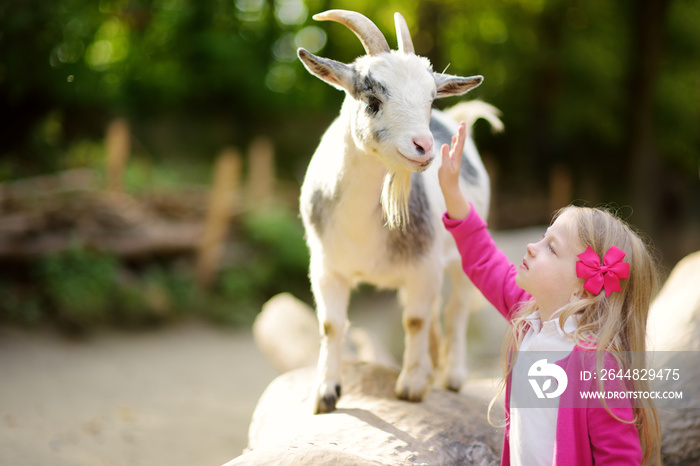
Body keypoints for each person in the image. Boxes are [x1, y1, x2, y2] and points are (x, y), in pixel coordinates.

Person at [438, 122, 662, 465]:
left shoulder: (599, 371)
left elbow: (620, 459)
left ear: (581, 286)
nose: (531, 247)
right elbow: (483, 258)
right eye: (543, 237)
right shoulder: (528, 316)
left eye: (551, 248)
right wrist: (452, 192)